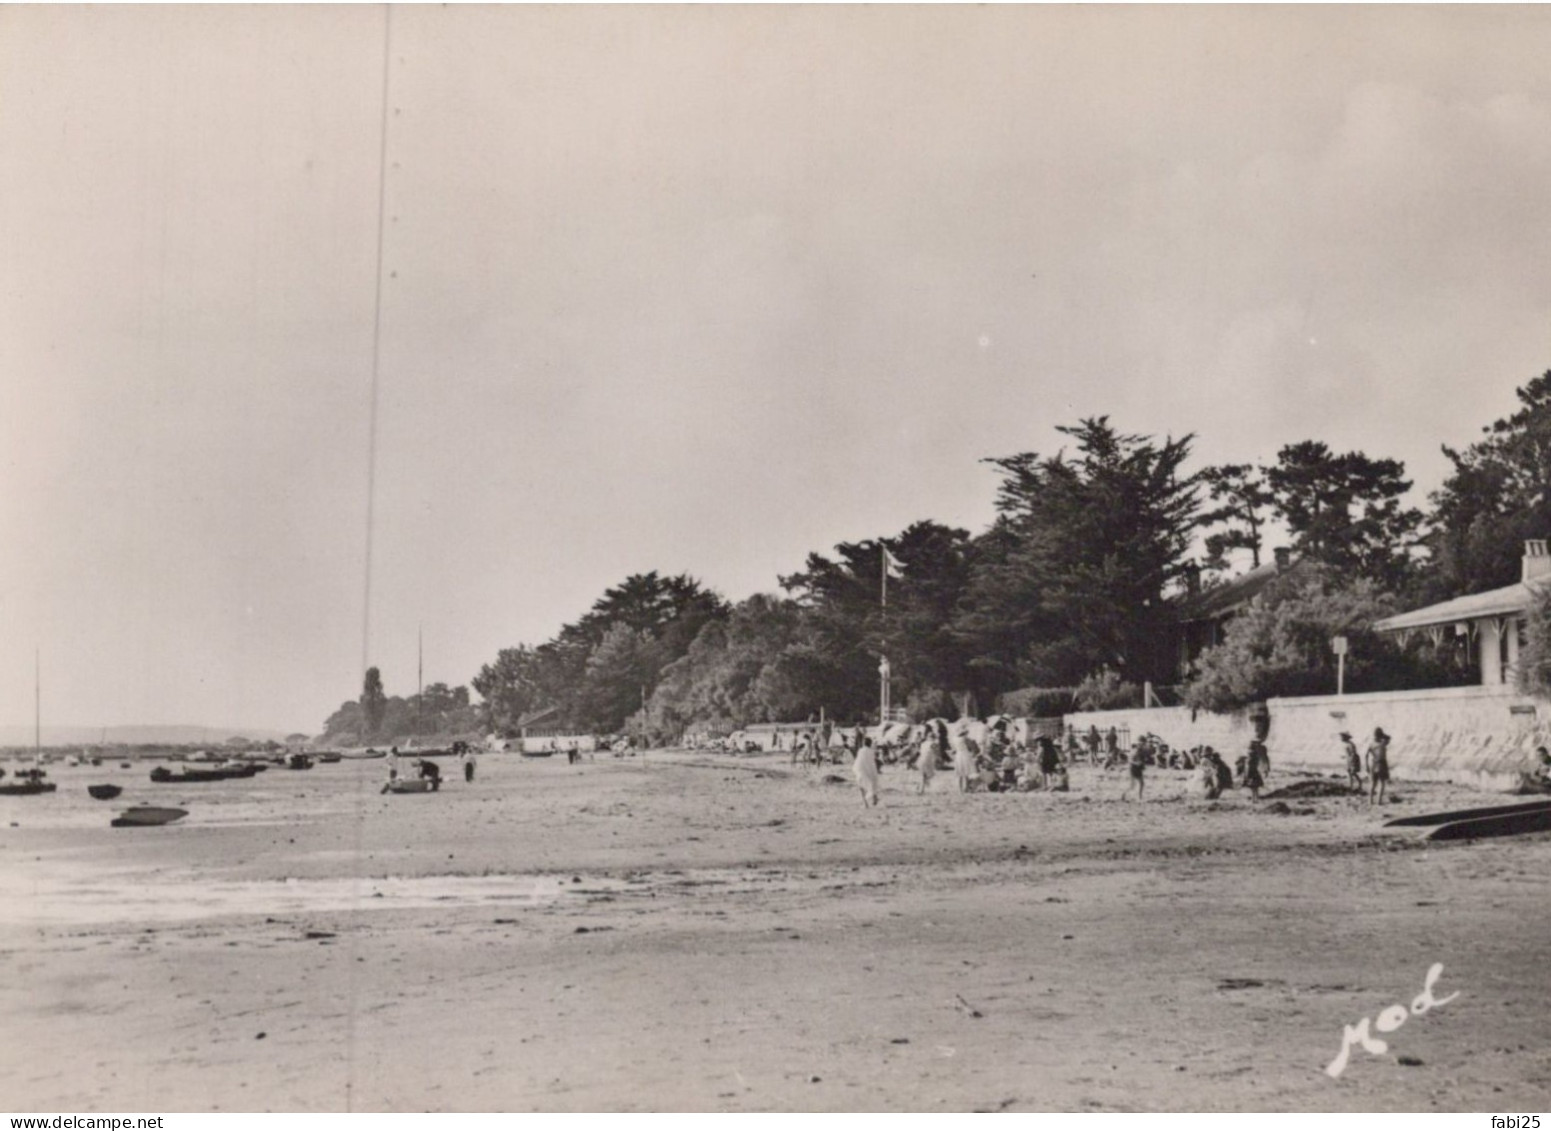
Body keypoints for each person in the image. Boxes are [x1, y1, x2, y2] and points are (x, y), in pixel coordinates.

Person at [1366, 727, 1392, 805]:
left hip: (1374, 763)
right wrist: (1383, 735)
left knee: (1373, 783)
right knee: (1382, 783)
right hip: (1382, 764)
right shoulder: (1383, 743)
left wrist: (1367, 765)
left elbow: (1366, 755)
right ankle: (1379, 801)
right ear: (1381, 736)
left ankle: (1370, 801)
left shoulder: (1371, 744)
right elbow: (1389, 737)